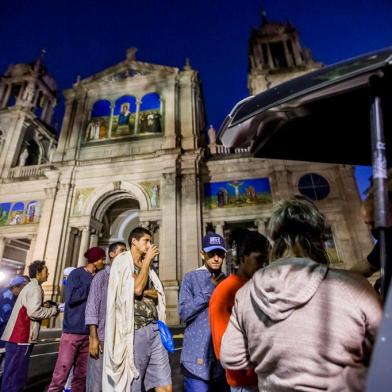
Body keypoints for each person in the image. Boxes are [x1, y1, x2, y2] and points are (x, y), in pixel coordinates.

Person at [220, 198, 382, 391]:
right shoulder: (355, 288)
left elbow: (231, 357)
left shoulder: (245, 294)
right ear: (321, 238)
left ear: (275, 241)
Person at [103, 227, 171, 392]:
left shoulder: (147, 267)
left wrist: (141, 287)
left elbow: (157, 293)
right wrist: (147, 262)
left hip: (155, 328)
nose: (149, 244)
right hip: (134, 330)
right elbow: (138, 289)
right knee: (134, 382)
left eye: (150, 241)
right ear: (134, 241)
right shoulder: (122, 261)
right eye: (146, 240)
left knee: (164, 385)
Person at [209, 230, 269, 392]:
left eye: (266, 261)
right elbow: (222, 350)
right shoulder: (224, 292)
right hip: (244, 382)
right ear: (242, 257)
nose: (263, 266)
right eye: (259, 260)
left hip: (268, 378)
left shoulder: (262, 286)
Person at [47, 246, 106, 392]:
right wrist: (92, 286)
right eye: (102, 259)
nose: (103, 262)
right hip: (72, 332)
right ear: (94, 260)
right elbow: (71, 298)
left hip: (89, 334)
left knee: (81, 375)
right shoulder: (76, 274)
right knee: (61, 373)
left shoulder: (98, 276)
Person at [179, 232, 229, 392]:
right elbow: (184, 313)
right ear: (202, 254)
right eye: (211, 253)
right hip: (196, 362)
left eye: (220, 254)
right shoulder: (191, 278)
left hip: (223, 362)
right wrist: (208, 291)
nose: (216, 258)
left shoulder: (228, 280)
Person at [1, 261, 58, 392]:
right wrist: (53, 311)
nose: (48, 273)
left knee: (10, 374)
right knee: (17, 375)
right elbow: (34, 312)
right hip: (22, 337)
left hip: (17, 337)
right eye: (46, 271)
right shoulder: (35, 288)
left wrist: (44, 307)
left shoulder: (30, 287)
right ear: (38, 273)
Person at [85, 241, 126, 392]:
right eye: (121, 250)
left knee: (114, 382)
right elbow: (92, 307)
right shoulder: (101, 276)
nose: (125, 254)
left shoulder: (126, 277)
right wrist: (93, 338)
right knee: (96, 382)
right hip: (102, 337)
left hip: (119, 339)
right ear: (111, 254)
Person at [0, 276, 29, 381]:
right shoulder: (7, 297)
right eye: (23, 288)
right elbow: (7, 319)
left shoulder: (12, 295)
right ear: (16, 287)